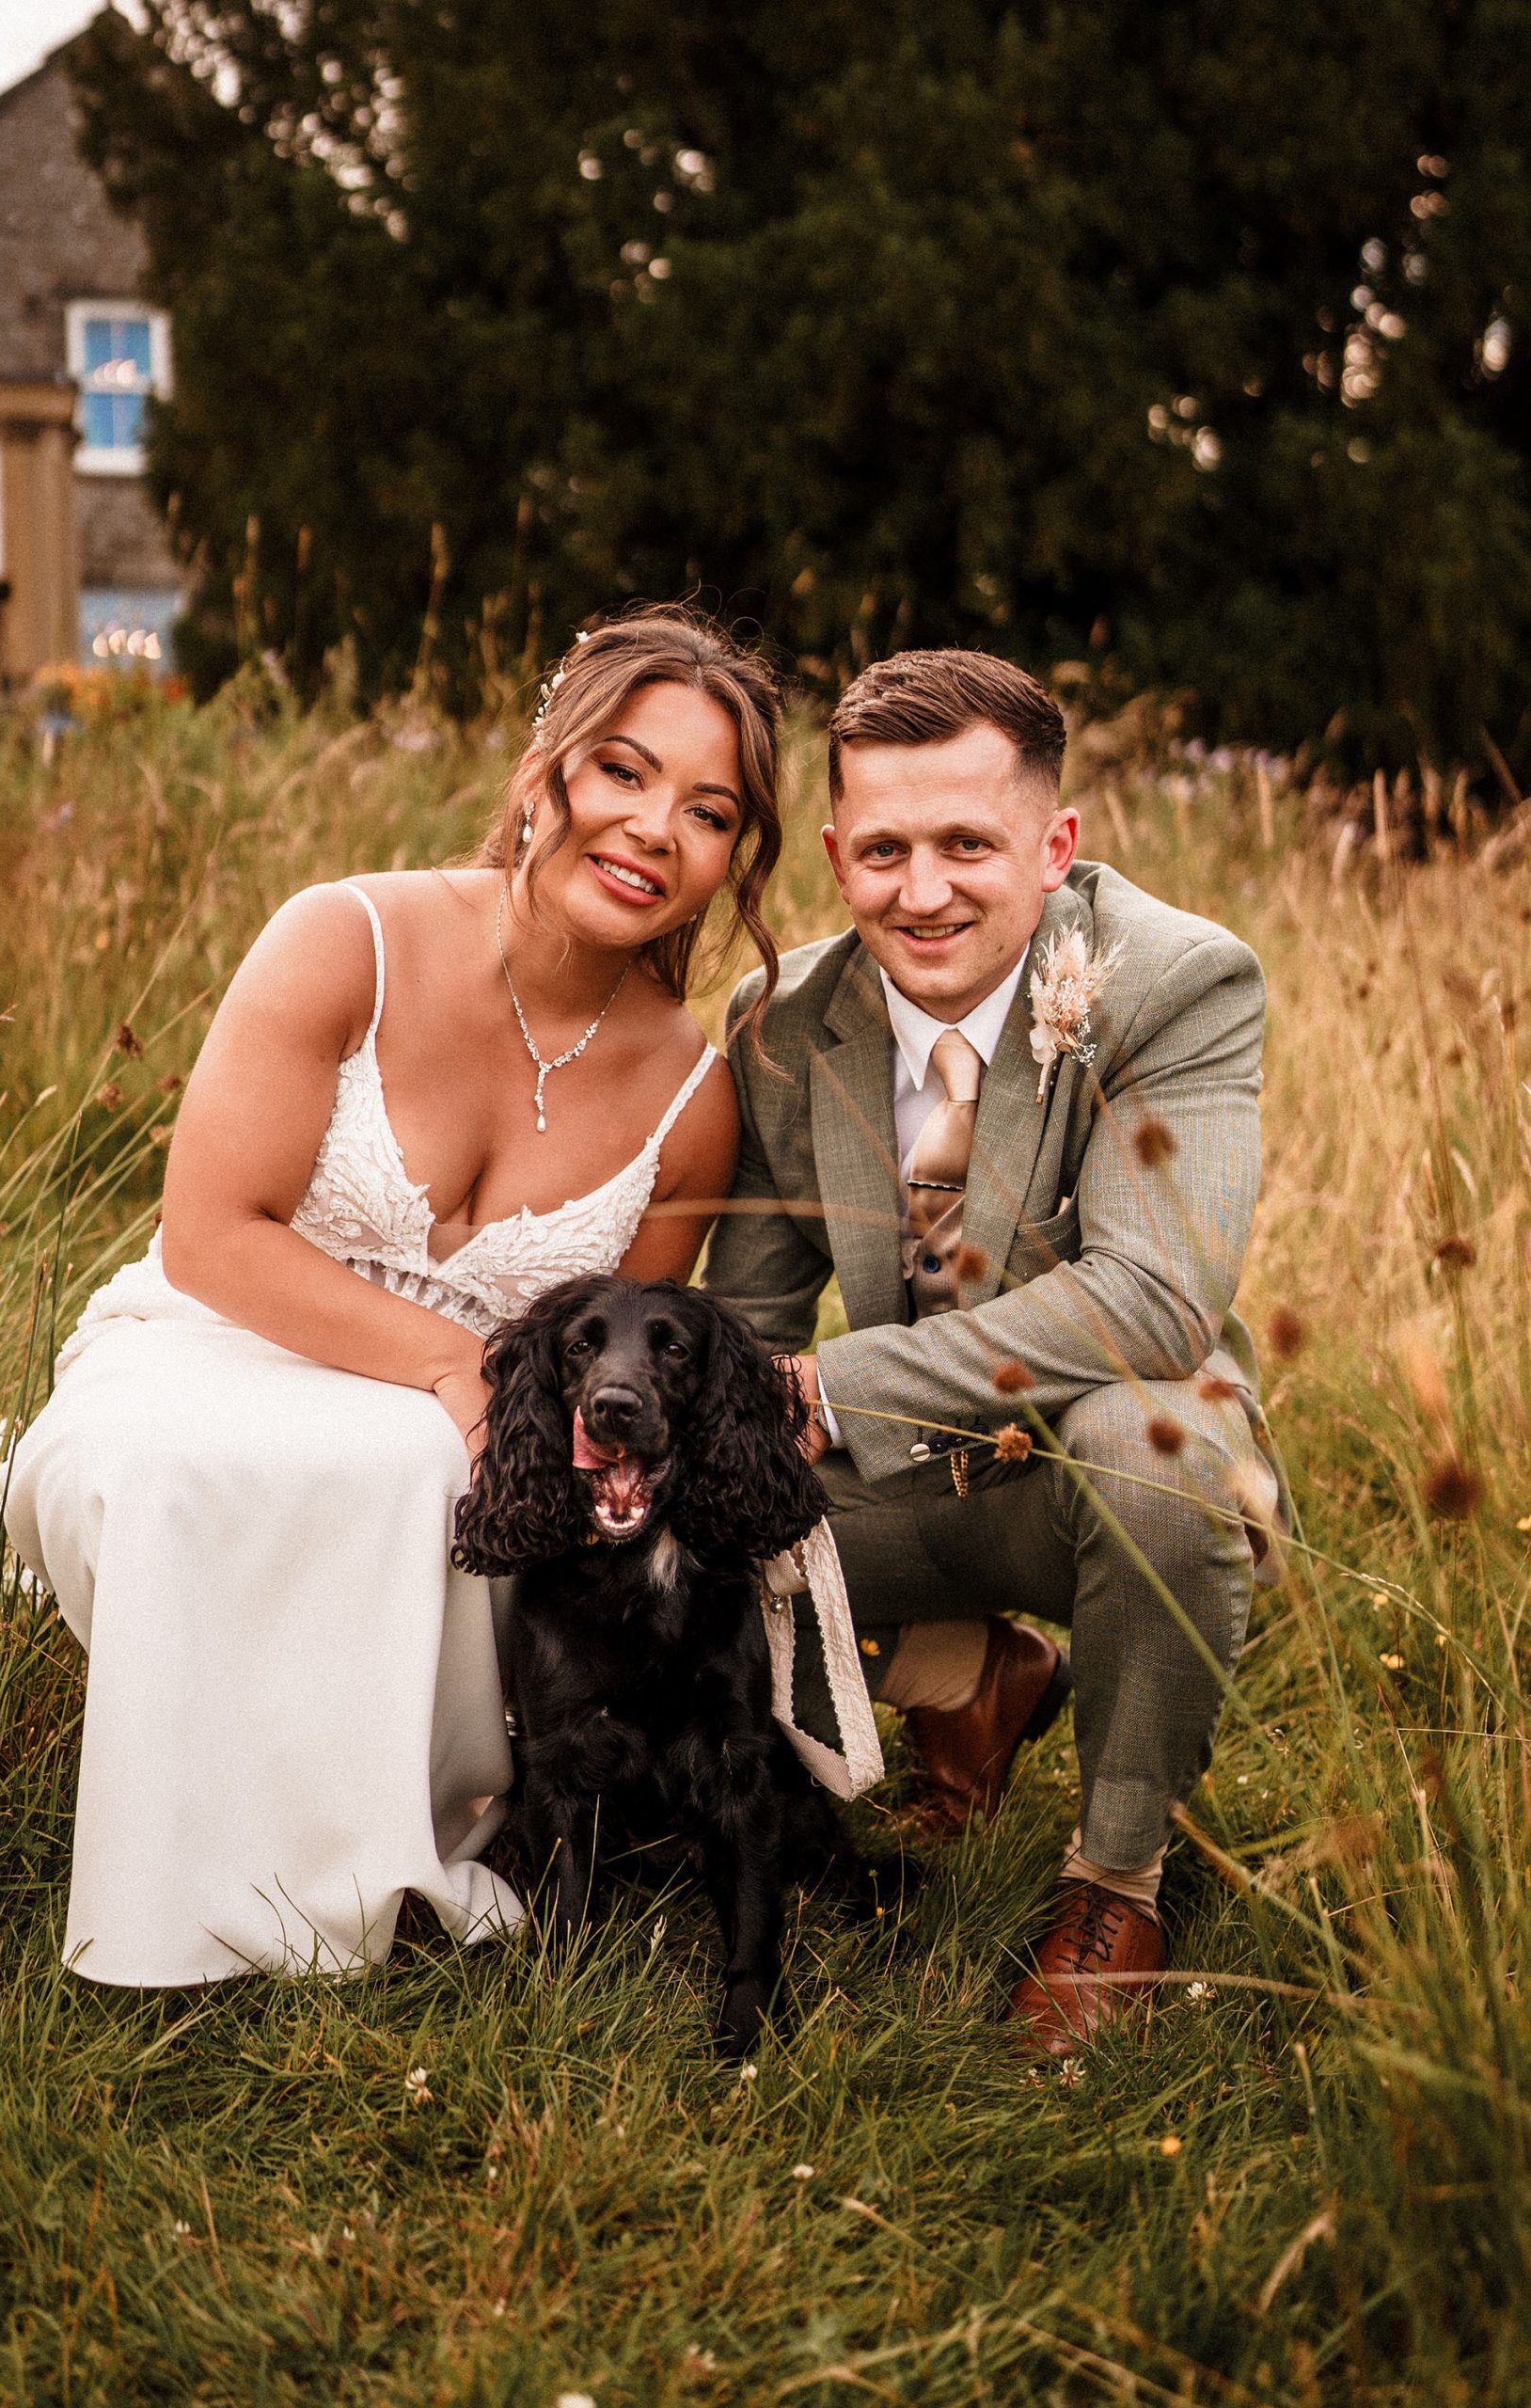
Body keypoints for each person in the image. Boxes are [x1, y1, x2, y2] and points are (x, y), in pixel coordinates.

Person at [5, 610, 783, 1988]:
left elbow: (620, 1383)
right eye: (623, 771)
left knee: (434, 1470)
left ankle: (380, 1865)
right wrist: (445, 1361)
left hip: (466, 1430)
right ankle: (182, 1882)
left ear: (732, 858)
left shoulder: (690, 1095)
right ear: (545, 771)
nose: (658, 827)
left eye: (708, 810)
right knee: (228, 1463)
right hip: (219, 1340)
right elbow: (209, 1234)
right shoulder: (345, 935)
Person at [704, 648, 1288, 2055]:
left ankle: (1116, 1887)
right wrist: (734, 1422)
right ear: (836, 853)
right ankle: (967, 1678)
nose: (924, 892)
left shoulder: (1178, 982)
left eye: (969, 843)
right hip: (913, 1478)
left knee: (1159, 1454)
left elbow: (1153, 1300)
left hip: (1101, 1466)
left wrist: (833, 1393)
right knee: (690, 1514)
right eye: (886, 850)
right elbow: (758, 1327)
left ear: (1055, 843)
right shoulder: (783, 1030)